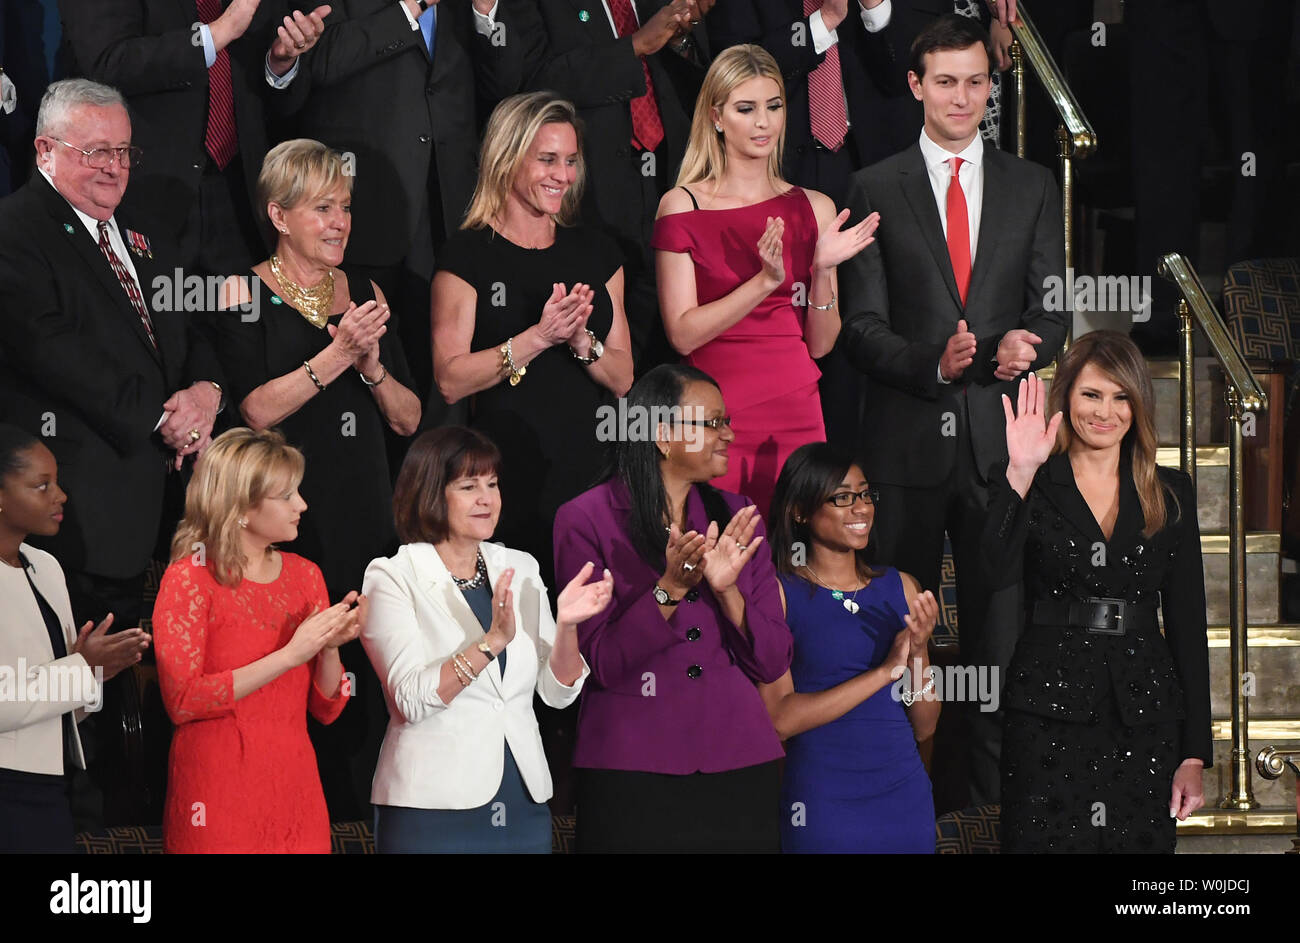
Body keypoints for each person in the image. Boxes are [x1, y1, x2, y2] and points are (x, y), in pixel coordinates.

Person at [837, 14, 1066, 807]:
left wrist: (1023, 347)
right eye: (945, 81)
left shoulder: (1033, 183)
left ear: (989, 86)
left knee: (1000, 646)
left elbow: (1056, 307)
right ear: (915, 86)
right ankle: (901, 801)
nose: (961, 96)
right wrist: (931, 363)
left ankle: (995, 809)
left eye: (975, 81)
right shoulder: (874, 184)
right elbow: (860, 331)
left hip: (1003, 451)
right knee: (897, 638)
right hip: (905, 449)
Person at [0, 78, 225, 824]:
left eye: (123, 150)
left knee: (134, 698)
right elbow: (51, 350)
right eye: (95, 151)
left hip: (154, 509)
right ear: (44, 150)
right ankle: (82, 833)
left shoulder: (138, 235)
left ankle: (130, 822)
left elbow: (184, 334)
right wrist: (164, 421)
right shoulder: (17, 231)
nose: (114, 167)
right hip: (76, 515)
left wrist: (206, 393)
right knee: (77, 700)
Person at [209, 137, 421, 819]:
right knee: (289, 680)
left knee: (358, 680)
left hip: (363, 512)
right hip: (279, 524)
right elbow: (254, 409)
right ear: (278, 213)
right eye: (321, 207)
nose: (339, 222)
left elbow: (409, 418)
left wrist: (373, 366)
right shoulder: (242, 291)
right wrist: (338, 352)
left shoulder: (367, 291)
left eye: (345, 207)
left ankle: (362, 822)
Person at [984, 332, 1211, 852]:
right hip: (1047, 715)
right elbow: (990, 574)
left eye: (1120, 396)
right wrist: (1019, 472)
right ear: (1067, 397)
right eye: (1091, 395)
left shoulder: (1171, 491)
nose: (1105, 412)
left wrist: (1193, 754)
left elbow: (1186, 623)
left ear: (1138, 404)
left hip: (1145, 719)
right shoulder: (1030, 480)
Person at [553, 364, 793, 852]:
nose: (728, 434)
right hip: (633, 763)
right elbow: (601, 664)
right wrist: (668, 590)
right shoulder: (586, 519)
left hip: (739, 758)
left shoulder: (739, 516)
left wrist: (726, 592)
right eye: (713, 423)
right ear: (662, 435)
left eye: (727, 421)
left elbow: (772, 661)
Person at [653, 44, 878, 516]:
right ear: (716, 116)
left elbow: (821, 344)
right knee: (724, 550)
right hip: (715, 412)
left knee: (796, 547)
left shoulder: (813, 206)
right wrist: (762, 281)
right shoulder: (682, 206)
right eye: (746, 109)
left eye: (774, 107)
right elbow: (682, 332)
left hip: (796, 407)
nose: (763, 123)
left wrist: (820, 269)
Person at [361, 427, 609, 853]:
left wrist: (567, 626)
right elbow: (411, 699)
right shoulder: (392, 576)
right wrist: (491, 642)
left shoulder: (520, 566)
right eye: (469, 486)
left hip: (521, 799)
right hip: (432, 805)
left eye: (492, 485)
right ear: (430, 494)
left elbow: (558, 694)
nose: (487, 498)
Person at [294, 0, 544, 404]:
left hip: (451, 209)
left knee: (448, 371)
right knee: (370, 372)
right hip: (365, 207)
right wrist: (413, 6)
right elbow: (320, 61)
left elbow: (503, 89)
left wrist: (485, 13)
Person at [432, 91, 634, 586]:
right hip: (509, 476)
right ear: (507, 158)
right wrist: (539, 337)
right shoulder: (467, 257)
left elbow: (625, 376)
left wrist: (583, 342)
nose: (562, 175)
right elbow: (451, 381)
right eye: (546, 159)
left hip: (596, 471)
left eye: (569, 161)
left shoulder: (597, 252)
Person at [152, 427, 362, 853]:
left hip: (295, 786)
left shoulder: (306, 576)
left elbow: (326, 709)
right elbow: (183, 701)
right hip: (217, 792)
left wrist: (330, 645)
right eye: (286, 496)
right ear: (241, 507)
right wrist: (289, 656)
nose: (301, 505)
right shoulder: (190, 577)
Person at [59, 0, 330, 274]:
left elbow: (283, 105)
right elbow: (107, 62)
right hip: (142, 189)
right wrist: (216, 34)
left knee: (241, 313)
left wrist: (280, 62)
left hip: (239, 193)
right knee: (153, 312)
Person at [761, 441, 940, 852]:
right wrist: (882, 672)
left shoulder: (902, 585)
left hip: (903, 793)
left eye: (864, 494)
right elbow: (779, 720)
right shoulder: (778, 593)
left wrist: (915, 654)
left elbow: (926, 725)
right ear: (800, 511)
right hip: (824, 798)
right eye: (842, 497)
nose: (861, 508)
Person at [528, 0, 711, 375]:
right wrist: (635, 46)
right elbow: (533, 82)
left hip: (672, 181)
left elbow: (702, 80)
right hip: (591, 193)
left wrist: (681, 39)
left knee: (670, 352)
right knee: (606, 344)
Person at [0, 424, 150, 852]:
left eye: (57, 482)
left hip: (54, 783)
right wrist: (83, 668)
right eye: (41, 486)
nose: (61, 496)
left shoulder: (46, 567)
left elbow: (64, 701)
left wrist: (97, 674)